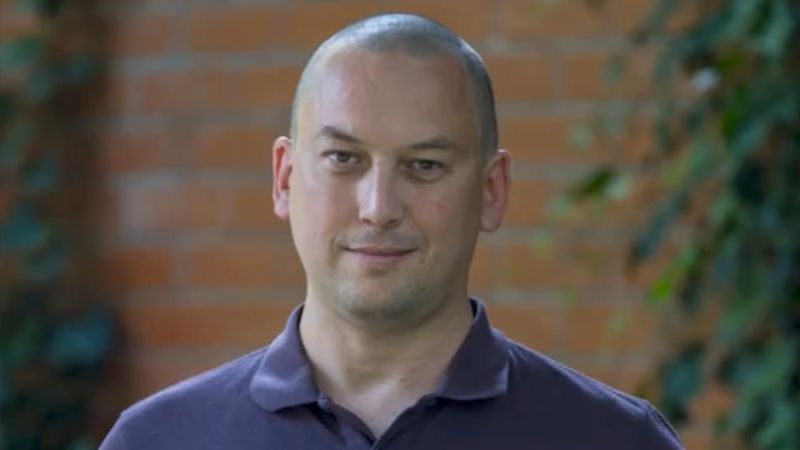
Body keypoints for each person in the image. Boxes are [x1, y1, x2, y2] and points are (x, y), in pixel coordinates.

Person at [100, 13, 683, 450]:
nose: (378, 207)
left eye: (424, 165)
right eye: (343, 159)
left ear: (490, 190)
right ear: (284, 178)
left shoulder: (614, 439)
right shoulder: (158, 441)